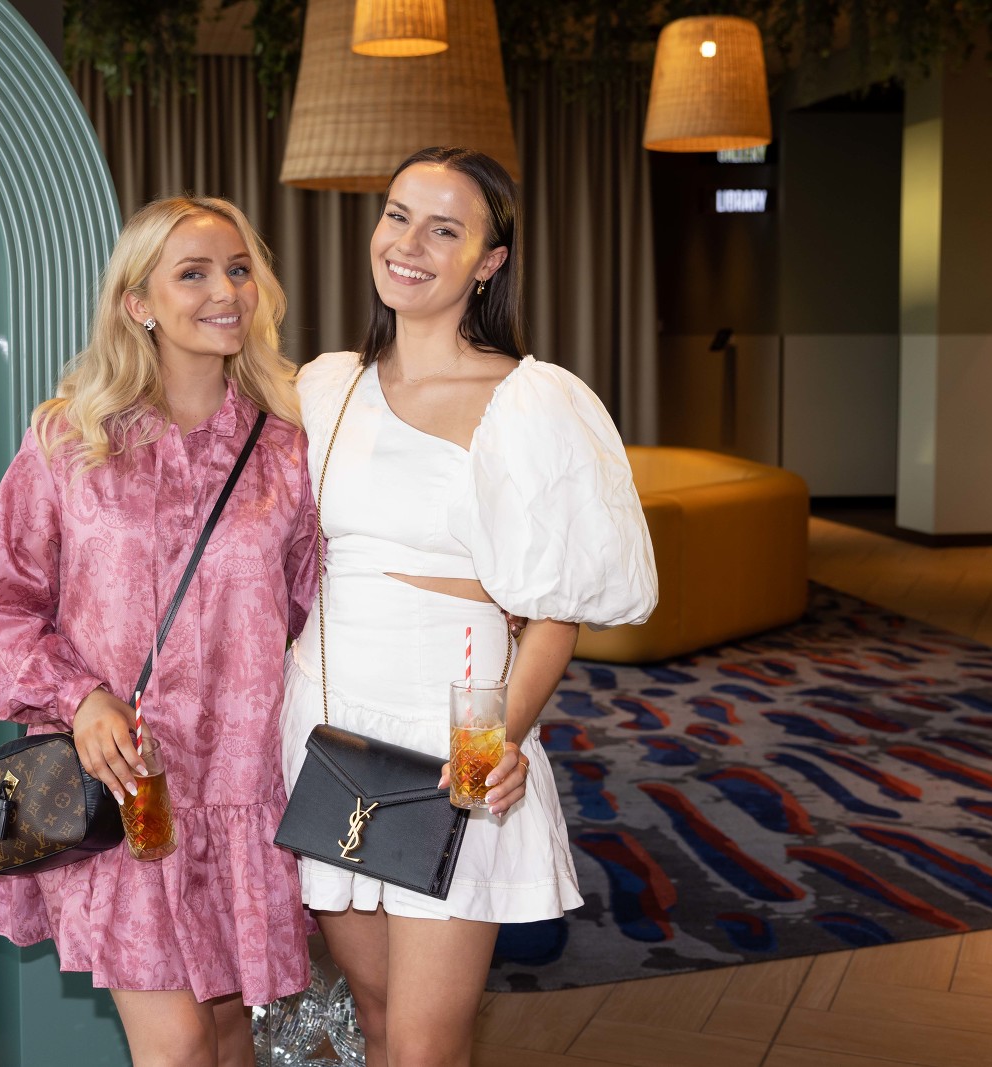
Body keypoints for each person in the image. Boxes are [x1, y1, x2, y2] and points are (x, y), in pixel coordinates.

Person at [281, 146, 658, 1066]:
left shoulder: (530, 399)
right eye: (398, 215)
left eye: (444, 229)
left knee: (424, 1042)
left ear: (489, 261)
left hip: (452, 732)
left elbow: (554, 613)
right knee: (374, 1013)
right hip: (323, 722)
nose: (408, 244)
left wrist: (496, 751)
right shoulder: (324, 384)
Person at [0, 195, 320, 1067]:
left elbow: (312, 603)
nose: (225, 290)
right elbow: (0, 598)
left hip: (241, 786)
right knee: (181, 1043)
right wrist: (79, 697)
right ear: (138, 302)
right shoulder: (69, 438)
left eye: (238, 269)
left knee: (227, 1033)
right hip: (122, 785)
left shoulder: (290, 449)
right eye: (193, 273)